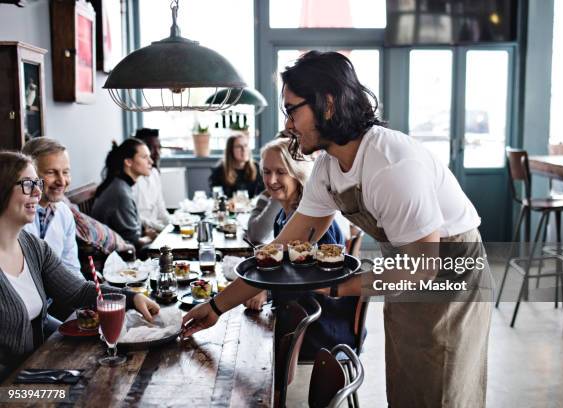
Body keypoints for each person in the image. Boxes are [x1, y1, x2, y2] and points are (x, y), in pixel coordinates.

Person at [183, 51, 492, 407]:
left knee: (443, 392)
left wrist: (338, 286)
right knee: (408, 388)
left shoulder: (390, 165)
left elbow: (424, 266)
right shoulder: (329, 168)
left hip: (450, 279)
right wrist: (217, 306)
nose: (287, 125)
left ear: (327, 104)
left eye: (292, 110)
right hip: (405, 270)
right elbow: (282, 246)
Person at [0, 151, 159, 380]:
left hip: (38, 368)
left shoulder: (32, 246)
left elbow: (77, 291)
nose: (37, 192)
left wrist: (132, 298)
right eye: (27, 184)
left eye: (37, 183)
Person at [243, 137, 357, 358]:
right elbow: (284, 270)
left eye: (280, 172)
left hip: (319, 326)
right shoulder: (282, 215)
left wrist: (265, 290)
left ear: (297, 173)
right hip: (299, 312)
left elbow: (313, 283)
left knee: (250, 349)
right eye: (266, 172)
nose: (272, 180)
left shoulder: (314, 222)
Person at [22, 137, 80, 276]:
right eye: (51, 172)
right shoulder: (15, 215)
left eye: (65, 172)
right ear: (29, 175)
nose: (61, 181)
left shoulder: (64, 212)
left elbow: (71, 269)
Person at [92, 138, 155, 248]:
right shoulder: (120, 192)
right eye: (145, 157)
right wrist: (152, 237)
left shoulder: (121, 185)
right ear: (128, 162)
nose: (151, 162)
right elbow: (134, 242)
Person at [132, 128, 171, 233]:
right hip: (142, 232)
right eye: (151, 148)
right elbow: (135, 219)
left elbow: (161, 209)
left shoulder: (154, 173)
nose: (157, 153)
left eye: (159, 148)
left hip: (156, 228)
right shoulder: (131, 180)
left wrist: (173, 224)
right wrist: (162, 229)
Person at [209, 134, 264, 198]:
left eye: (246, 146)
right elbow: (215, 196)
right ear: (230, 150)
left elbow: (262, 195)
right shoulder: (219, 171)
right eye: (239, 146)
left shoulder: (257, 168)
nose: (244, 149)